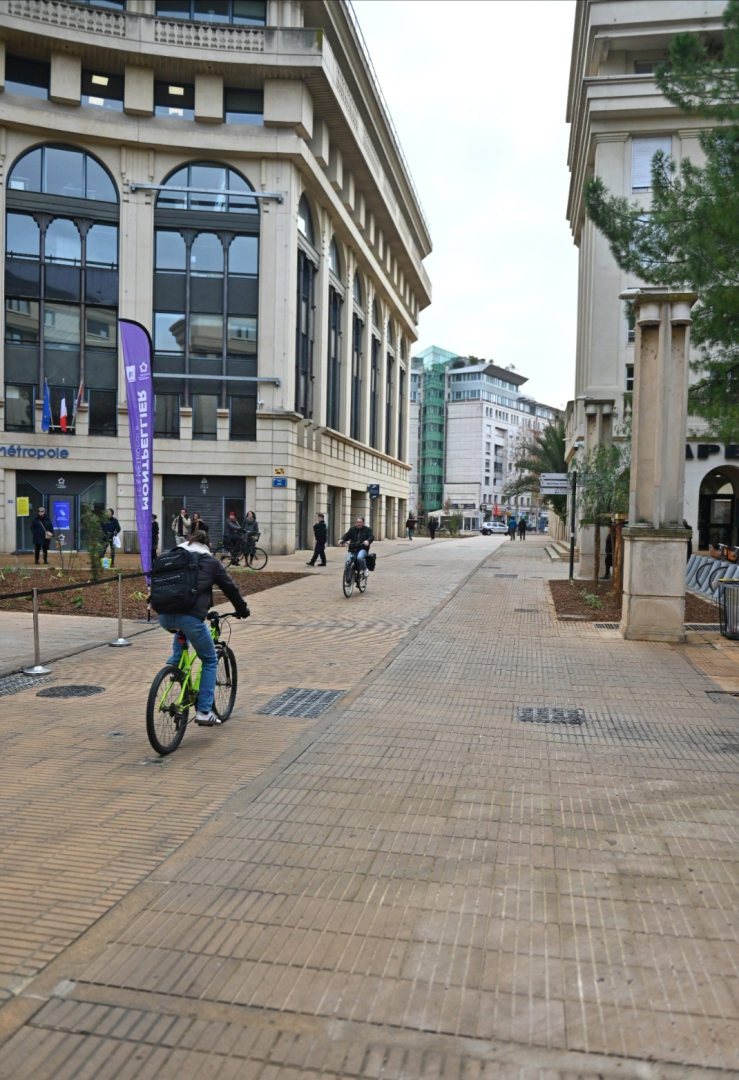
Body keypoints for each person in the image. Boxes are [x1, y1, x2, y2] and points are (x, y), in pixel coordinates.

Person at [157, 530, 250, 726]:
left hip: (164, 616)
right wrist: (242, 609)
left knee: (181, 628)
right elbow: (230, 588)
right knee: (209, 659)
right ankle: (204, 711)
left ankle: (176, 665)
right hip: (190, 619)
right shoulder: (211, 562)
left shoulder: (172, 556)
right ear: (207, 544)